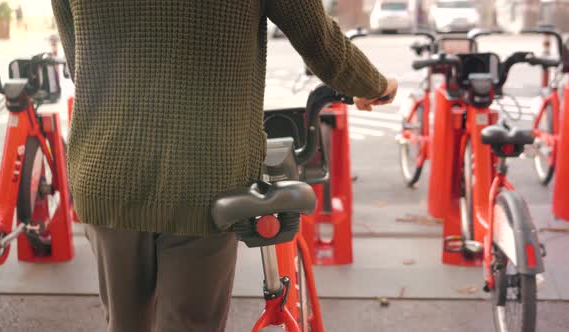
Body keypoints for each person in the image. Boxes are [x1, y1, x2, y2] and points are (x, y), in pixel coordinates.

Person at [52, 1, 398, 331]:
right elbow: (317, 37)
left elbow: (78, 60)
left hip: (107, 168)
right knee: (192, 325)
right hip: (203, 173)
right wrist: (374, 85)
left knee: (124, 324)